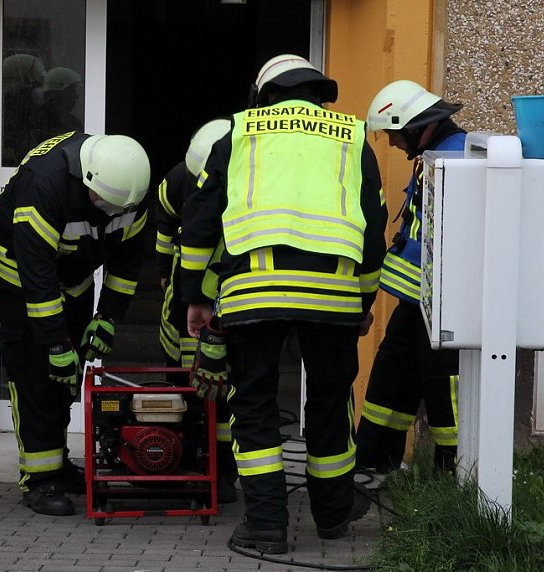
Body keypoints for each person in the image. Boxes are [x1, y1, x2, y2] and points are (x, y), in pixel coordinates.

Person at [180, 54, 387, 553]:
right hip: (333, 294)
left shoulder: (241, 131)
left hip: (254, 290)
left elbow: (202, 219)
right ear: (318, 92)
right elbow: (374, 230)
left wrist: (197, 298)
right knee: (330, 402)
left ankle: (268, 526)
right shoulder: (353, 136)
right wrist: (361, 302)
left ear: (264, 94)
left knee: (253, 402)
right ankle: (334, 515)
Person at [0, 131, 150, 516]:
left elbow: (127, 264)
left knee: (70, 368)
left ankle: (57, 462)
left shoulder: (128, 192)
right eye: (102, 204)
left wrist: (107, 319)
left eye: (116, 209)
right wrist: (55, 344)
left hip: (73, 271)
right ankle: (38, 479)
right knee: (36, 366)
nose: (107, 214)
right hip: (16, 269)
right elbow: (37, 278)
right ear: (88, 179)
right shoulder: (45, 186)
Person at [356, 80, 466, 474]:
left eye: (393, 134)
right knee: (392, 373)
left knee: (442, 386)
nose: (391, 144)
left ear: (416, 126)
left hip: (443, 302)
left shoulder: (455, 160)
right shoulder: (439, 155)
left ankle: (452, 471)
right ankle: (373, 459)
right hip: (420, 299)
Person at [155, 118, 240, 502]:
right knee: (184, 389)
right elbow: (166, 223)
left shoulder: (247, 183)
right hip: (187, 300)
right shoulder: (179, 177)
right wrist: (163, 272)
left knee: (225, 395)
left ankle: (221, 472)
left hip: (230, 292)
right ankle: (185, 462)